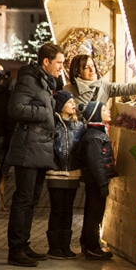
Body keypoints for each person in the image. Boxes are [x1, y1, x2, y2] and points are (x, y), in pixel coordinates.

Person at [5, 42, 65, 267]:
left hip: (39, 148)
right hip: (28, 148)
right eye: (59, 62)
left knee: (31, 200)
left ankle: (24, 245)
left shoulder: (45, 81)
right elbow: (16, 108)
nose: (61, 67)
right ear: (46, 62)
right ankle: (16, 249)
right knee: (23, 199)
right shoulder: (29, 79)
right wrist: (43, 112)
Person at [45, 90, 84, 259]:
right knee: (57, 208)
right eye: (69, 102)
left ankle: (65, 245)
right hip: (55, 172)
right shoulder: (53, 124)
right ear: (60, 106)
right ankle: (54, 247)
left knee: (68, 209)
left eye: (73, 102)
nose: (73, 104)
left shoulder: (79, 125)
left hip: (73, 173)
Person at [78, 101, 116, 260]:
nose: (109, 112)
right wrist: (102, 184)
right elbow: (96, 163)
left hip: (95, 181)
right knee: (94, 214)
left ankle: (88, 244)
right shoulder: (95, 137)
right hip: (96, 182)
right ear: (96, 114)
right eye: (105, 109)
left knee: (92, 213)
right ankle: (92, 246)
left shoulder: (97, 134)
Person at [64, 54, 136, 106]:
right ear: (77, 72)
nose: (92, 70)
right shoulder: (68, 90)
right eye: (86, 67)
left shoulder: (103, 86)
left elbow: (126, 88)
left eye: (93, 66)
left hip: (98, 129)